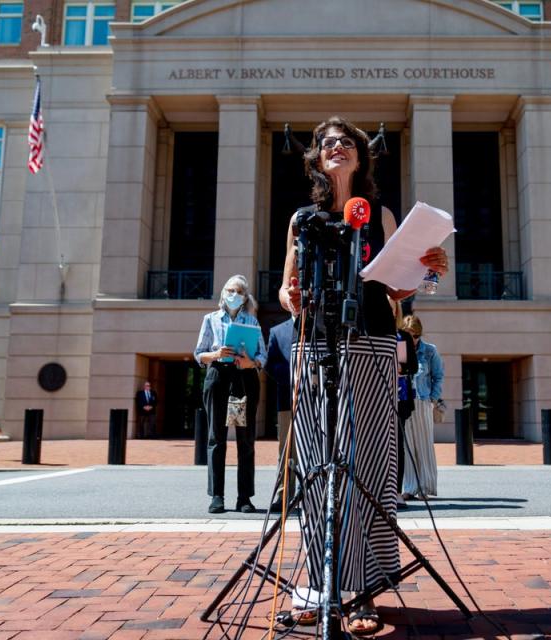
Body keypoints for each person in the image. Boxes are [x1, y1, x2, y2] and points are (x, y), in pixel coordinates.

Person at [279, 116, 448, 635]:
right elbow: (286, 290)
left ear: (360, 155)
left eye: (346, 142)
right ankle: (319, 581)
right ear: (316, 158)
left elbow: (398, 289)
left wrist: (429, 269)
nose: (336, 147)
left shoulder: (380, 214)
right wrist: (292, 300)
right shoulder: (301, 219)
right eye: (327, 143)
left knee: (370, 463)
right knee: (316, 464)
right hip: (316, 346)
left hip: (372, 344)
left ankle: (365, 589)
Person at [194, 274, 267, 515]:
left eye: (238, 291)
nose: (233, 295)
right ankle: (217, 496)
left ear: (245, 297)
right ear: (223, 293)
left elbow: (262, 356)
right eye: (229, 290)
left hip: (243, 378)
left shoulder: (252, 322)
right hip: (218, 376)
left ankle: (244, 497)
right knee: (217, 437)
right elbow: (199, 354)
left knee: (245, 439)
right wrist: (215, 354)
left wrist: (251, 363)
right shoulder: (210, 319)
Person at [402, 314, 443, 500]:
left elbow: (438, 376)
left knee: (424, 445)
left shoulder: (429, 351)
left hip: (422, 401)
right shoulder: (399, 349)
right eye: (410, 335)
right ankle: (409, 487)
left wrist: (433, 399)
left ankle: (425, 487)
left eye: (416, 335)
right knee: (407, 444)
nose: (414, 339)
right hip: (404, 400)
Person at [264, 316, 296, 510]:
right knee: (286, 451)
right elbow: (270, 364)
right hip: (286, 400)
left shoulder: (319, 325)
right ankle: (284, 495)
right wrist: (291, 372)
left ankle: (317, 495)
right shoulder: (277, 331)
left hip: (316, 399)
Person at [392, 299, 418, 509]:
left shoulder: (404, 336)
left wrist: (402, 368)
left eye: (393, 307)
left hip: (400, 398)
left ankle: (397, 492)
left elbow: (414, 367)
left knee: (397, 446)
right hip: (377, 395)